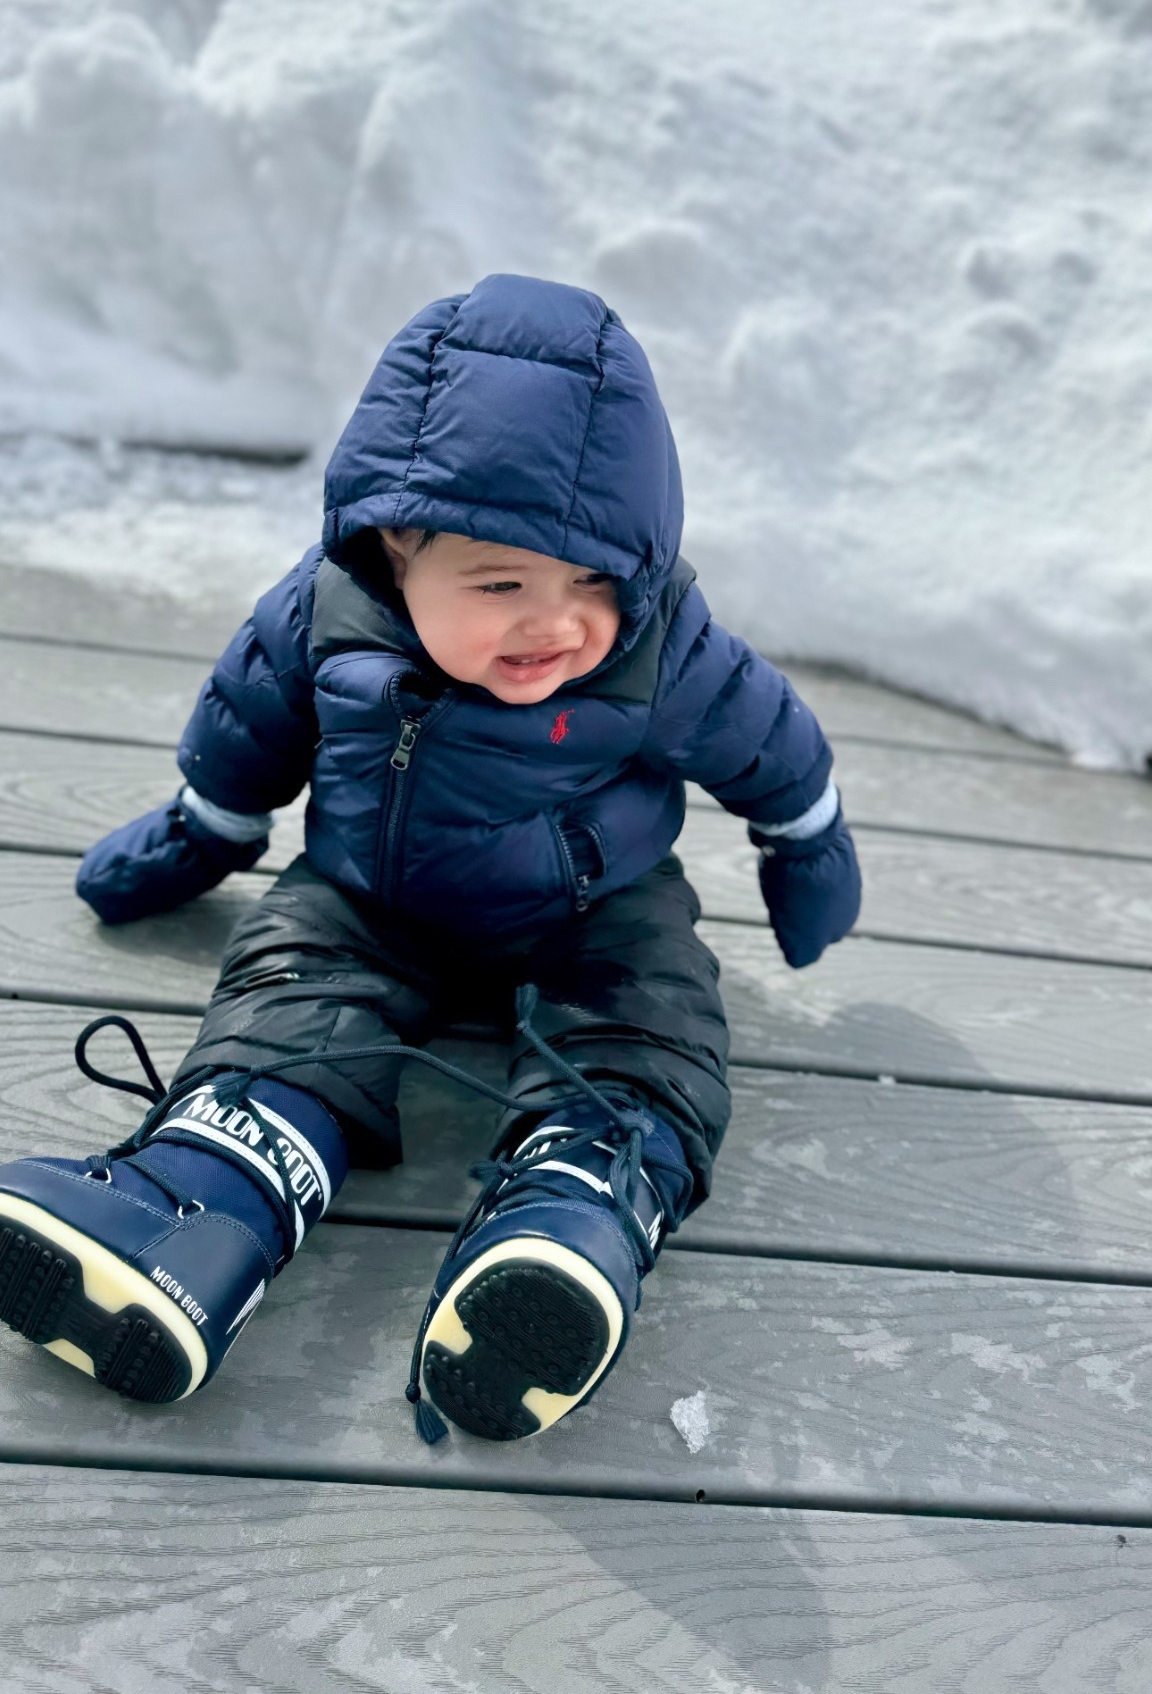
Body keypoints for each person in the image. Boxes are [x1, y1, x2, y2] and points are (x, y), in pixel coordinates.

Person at [0, 274, 861, 1443]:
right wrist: (206, 831)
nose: (554, 623)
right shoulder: (325, 615)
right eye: (500, 582)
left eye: (593, 583)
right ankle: (210, 1194)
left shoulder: (666, 645)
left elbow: (769, 736)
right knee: (294, 986)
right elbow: (247, 721)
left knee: (653, 1010)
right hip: (371, 897)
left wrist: (805, 839)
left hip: (592, 903)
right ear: (396, 545)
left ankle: (576, 1207)